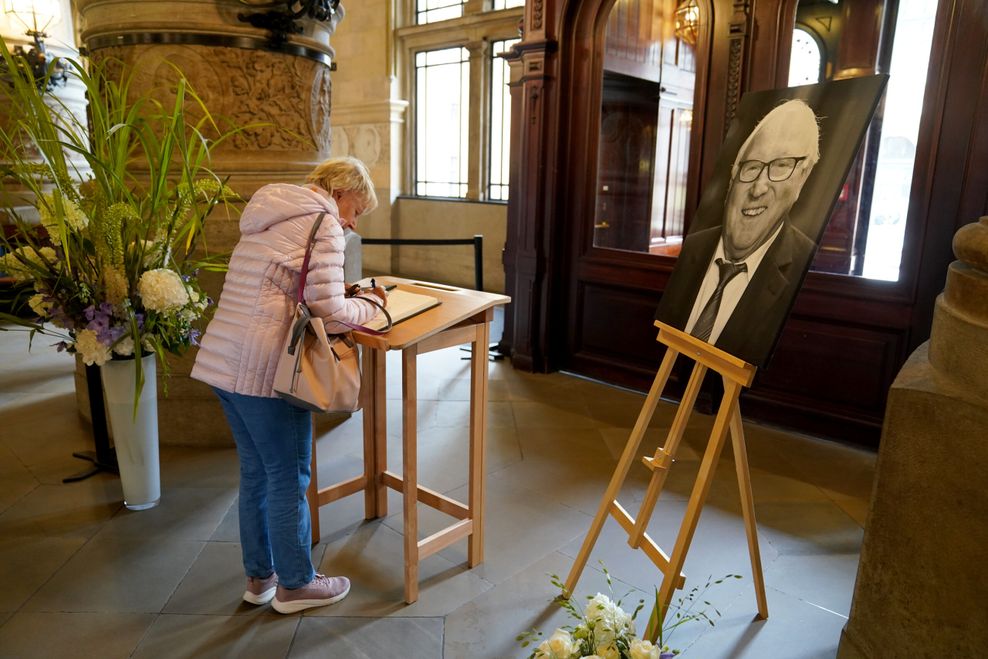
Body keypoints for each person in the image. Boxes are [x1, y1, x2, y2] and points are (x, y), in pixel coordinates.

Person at [190, 156, 387, 614]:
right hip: (265, 371)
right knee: (288, 476)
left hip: (223, 361)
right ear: (340, 192)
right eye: (356, 209)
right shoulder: (323, 222)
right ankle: (296, 584)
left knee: (257, 474)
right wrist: (373, 309)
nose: (353, 222)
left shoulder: (271, 212)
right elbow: (330, 312)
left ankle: (260, 578)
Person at [657, 99, 820, 366]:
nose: (758, 189)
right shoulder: (694, 248)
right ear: (732, 178)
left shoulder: (803, 262)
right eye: (752, 167)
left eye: (781, 166)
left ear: (802, 178)